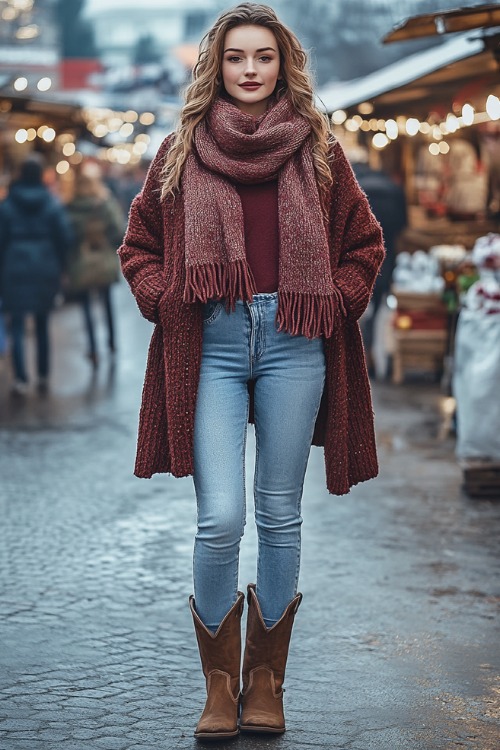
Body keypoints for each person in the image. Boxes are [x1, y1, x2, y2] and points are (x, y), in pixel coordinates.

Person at [119, 3, 384, 741]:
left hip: (297, 341)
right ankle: (218, 685)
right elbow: (137, 246)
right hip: (214, 344)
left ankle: (266, 683)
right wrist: (163, 296)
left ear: (282, 64)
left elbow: (365, 244)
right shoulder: (180, 150)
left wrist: (338, 298)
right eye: (236, 56)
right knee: (220, 518)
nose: (249, 69)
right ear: (216, 66)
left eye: (263, 56)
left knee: (278, 514)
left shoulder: (321, 151)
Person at [0, 154, 72, 395]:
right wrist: (63, 268)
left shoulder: (8, 205)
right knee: (42, 323)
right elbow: (64, 238)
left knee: (17, 325)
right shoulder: (51, 203)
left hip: (14, 267)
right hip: (45, 267)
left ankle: (20, 377)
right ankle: (43, 374)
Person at [351, 148, 407, 375]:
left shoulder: (355, 188)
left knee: (361, 307)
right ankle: (375, 352)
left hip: (358, 259)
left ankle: (363, 355)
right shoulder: (393, 189)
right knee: (380, 306)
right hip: (387, 253)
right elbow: (404, 224)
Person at [67, 168, 126, 367]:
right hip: (103, 260)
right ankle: (112, 342)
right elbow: (119, 230)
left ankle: (93, 349)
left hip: (81, 262)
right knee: (107, 302)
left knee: (86, 308)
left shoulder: (70, 207)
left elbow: (66, 237)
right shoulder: (105, 204)